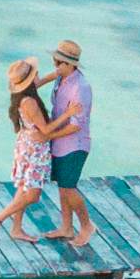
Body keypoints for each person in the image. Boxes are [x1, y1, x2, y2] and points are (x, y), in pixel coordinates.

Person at [0, 61, 56, 241]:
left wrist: (54, 75)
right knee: (32, 195)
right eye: (35, 73)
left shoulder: (22, 95)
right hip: (35, 149)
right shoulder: (30, 102)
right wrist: (68, 115)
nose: (38, 75)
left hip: (26, 143)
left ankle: (16, 229)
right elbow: (46, 130)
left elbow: (37, 84)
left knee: (24, 188)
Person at [38, 41, 95, 245]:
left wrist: (49, 136)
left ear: (72, 65)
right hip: (60, 145)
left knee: (69, 188)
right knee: (62, 188)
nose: (56, 66)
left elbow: (76, 125)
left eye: (60, 63)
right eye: (55, 62)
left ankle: (87, 225)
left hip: (74, 145)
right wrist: (44, 79)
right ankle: (66, 227)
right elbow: (43, 81)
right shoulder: (62, 77)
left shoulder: (81, 88)